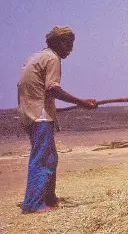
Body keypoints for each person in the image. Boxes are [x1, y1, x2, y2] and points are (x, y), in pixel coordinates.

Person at [17, 27, 97, 214]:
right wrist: (81, 102)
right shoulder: (53, 59)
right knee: (43, 159)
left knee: (50, 157)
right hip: (39, 115)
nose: (70, 48)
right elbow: (52, 88)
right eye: (67, 43)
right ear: (57, 42)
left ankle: (48, 198)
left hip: (30, 112)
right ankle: (33, 204)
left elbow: (33, 88)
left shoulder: (35, 57)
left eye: (71, 44)